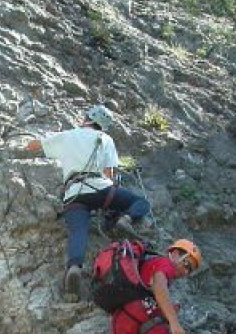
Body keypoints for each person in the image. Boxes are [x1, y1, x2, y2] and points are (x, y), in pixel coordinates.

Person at [24, 105, 150, 299]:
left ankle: (74, 267)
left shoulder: (69, 135)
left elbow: (35, 145)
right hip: (102, 190)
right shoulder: (105, 139)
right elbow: (110, 174)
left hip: (75, 194)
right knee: (140, 202)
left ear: (87, 118)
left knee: (78, 231)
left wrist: (25, 142)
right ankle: (125, 218)